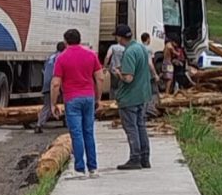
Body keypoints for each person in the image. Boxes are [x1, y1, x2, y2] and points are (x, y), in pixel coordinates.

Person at [51, 28, 104, 178]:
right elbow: (100, 78)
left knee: (77, 134)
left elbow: (55, 83)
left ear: (65, 41)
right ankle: (93, 168)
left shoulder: (61, 58)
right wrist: (98, 98)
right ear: (80, 40)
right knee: (89, 132)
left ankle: (79, 169)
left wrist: (53, 103)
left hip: (72, 99)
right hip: (89, 97)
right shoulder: (91, 55)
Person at [110, 24, 153, 170]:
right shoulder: (141, 48)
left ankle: (135, 158)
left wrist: (118, 73)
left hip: (130, 98)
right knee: (141, 126)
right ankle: (145, 157)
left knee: (131, 128)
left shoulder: (128, 52)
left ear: (120, 37)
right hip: (142, 95)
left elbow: (128, 78)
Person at [33, 41, 65, 134]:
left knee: (47, 105)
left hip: (47, 82)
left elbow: (44, 69)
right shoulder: (61, 57)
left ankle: (39, 124)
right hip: (56, 81)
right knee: (67, 102)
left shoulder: (50, 57)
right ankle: (67, 121)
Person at [141, 33, 161, 117]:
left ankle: (143, 111)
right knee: (153, 92)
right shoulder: (149, 49)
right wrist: (155, 74)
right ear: (148, 39)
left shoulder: (139, 48)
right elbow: (150, 63)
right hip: (148, 74)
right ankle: (150, 110)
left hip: (141, 74)